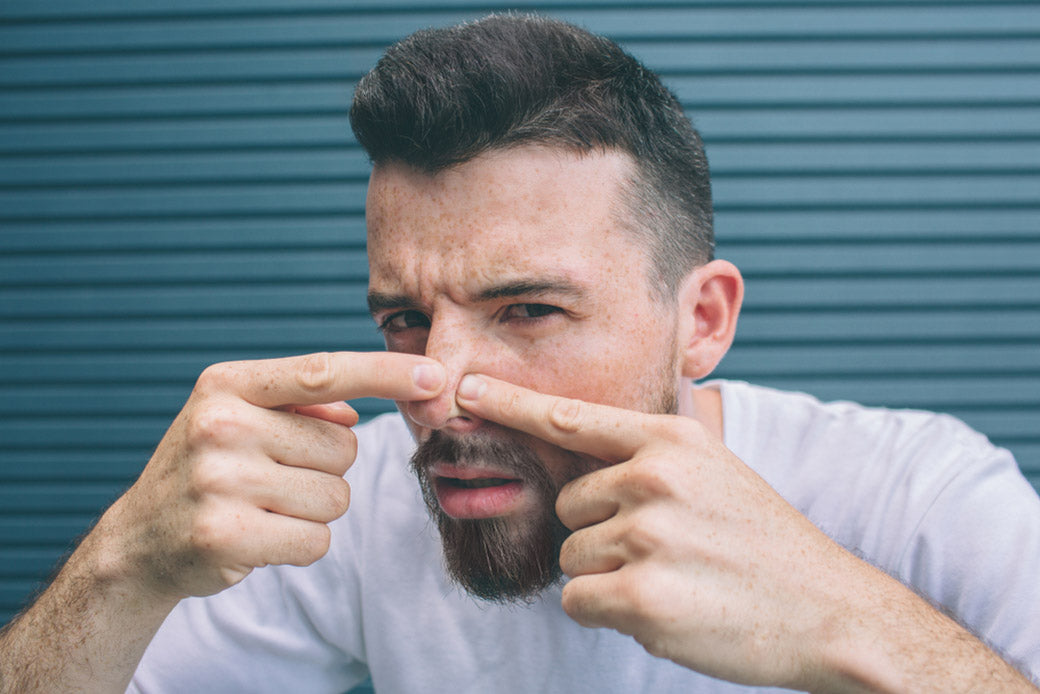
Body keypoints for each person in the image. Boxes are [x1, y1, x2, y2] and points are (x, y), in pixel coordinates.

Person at [1, 14, 1038, 693]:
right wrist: (121, 565)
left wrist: (845, 619)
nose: (440, 390)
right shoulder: (354, 500)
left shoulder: (917, 492)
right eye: (403, 317)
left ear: (702, 321)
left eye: (528, 309)